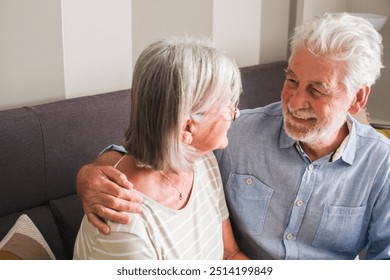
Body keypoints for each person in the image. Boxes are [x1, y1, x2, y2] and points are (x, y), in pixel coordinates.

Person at [76, 13, 390, 259]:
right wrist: (91, 174)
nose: (294, 103)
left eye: (317, 90)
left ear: (358, 99)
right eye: (292, 80)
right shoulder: (233, 136)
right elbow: (158, 148)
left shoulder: (381, 164)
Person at [73, 37, 249, 260]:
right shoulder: (124, 221)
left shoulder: (203, 161)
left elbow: (229, 254)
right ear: (188, 127)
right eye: (228, 104)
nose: (235, 112)